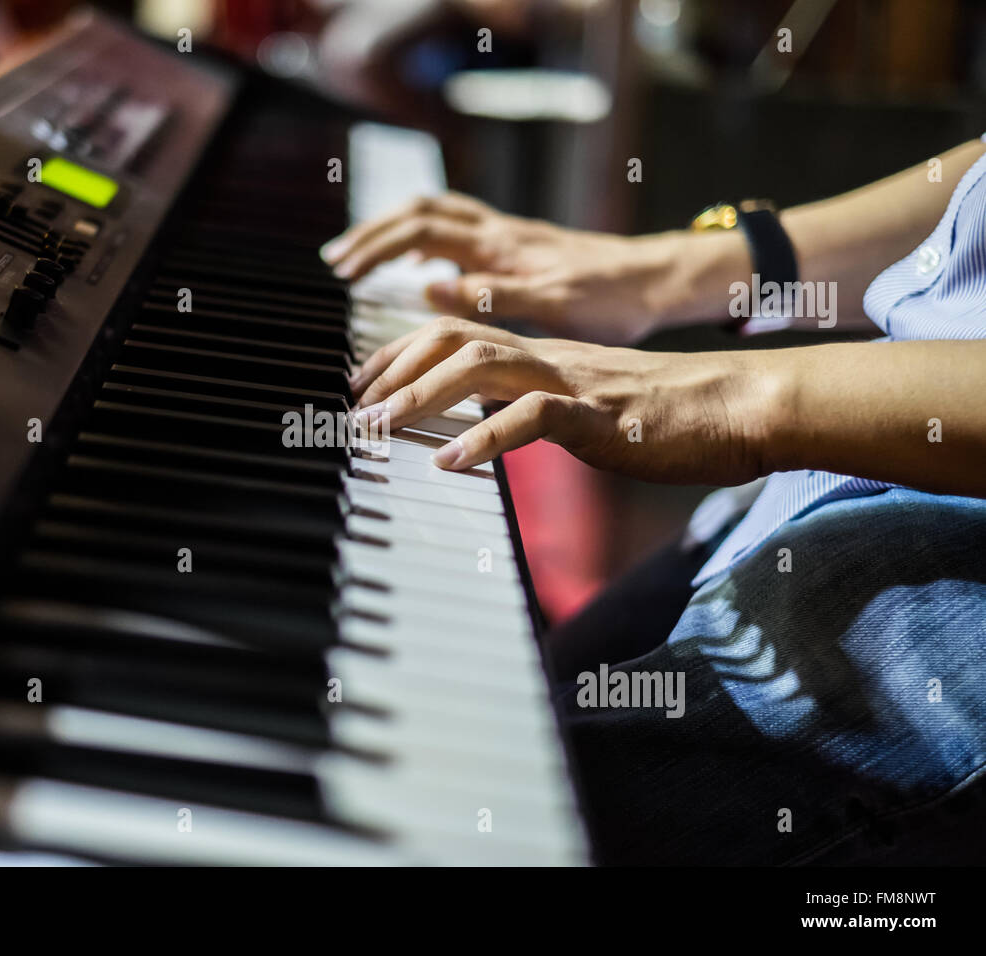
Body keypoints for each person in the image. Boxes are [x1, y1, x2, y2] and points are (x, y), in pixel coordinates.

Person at [322, 137, 986, 864]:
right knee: (499, 711)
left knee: (456, 813)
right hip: (824, 484)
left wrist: (740, 402)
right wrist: (672, 273)